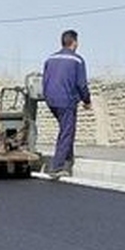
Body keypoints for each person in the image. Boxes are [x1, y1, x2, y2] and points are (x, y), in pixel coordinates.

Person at [41, 29, 91, 177]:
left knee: (66, 129)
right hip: (66, 100)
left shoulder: (50, 59)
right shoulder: (77, 60)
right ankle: (56, 166)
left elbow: (44, 80)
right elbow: (81, 84)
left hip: (51, 100)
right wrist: (87, 100)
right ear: (74, 43)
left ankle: (68, 161)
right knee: (67, 131)